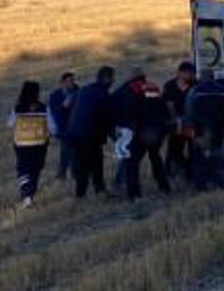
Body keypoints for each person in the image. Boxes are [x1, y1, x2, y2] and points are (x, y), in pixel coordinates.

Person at [113, 67, 172, 199]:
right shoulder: (151, 88)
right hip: (155, 131)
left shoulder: (125, 91)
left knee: (132, 163)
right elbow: (160, 107)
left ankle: (134, 194)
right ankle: (164, 187)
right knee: (156, 159)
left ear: (130, 78)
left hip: (137, 133)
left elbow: (118, 109)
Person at [66, 66, 116, 198]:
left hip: (73, 133)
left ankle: (84, 193)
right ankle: (95, 191)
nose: (113, 80)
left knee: (83, 164)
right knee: (94, 163)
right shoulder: (103, 95)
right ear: (107, 78)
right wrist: (116, 137)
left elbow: (69, 106)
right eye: (112, 77)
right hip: (88, 135)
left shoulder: (84, 89)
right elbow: (108, 120)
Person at [183, 67, 224, 190]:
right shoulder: (223, 90)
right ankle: (221, 183)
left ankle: (201, 185)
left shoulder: (195, 90)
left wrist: (189, 126)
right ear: (213, 77)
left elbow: (189, 111)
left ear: (201, 78)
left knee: (199, 157)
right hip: (219, 127)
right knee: (217, 155)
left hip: (201, 129)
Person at [7, 81, 49, 209]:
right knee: (35, 170)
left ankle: (26, 195)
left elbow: (10, 123)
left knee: (23, 169)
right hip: (39, 145)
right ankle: (30, 193)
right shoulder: (43, 107)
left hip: (21, 144)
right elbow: (52, 125)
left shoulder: (18, 108)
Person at [162, 61, 196, 181]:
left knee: (193, 149)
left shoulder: (195, 85)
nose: (192, 76)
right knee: (175, 149)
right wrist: (176, 121)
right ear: (180, 73)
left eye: (192, 73)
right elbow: (168, 104)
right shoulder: (169, 86)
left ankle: (192, 173)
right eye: (189, 73)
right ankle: (171, 171)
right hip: (176, 123)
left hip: (191, 123)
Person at [47, 72, 78, 181]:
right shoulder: (54, 96)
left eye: (73, 81)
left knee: (66, 150)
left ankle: (62, 173)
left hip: (75, 127)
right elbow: (53, 113)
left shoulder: (77, 92)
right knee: (70, 151)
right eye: (70, 81)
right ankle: (73, 174)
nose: (72, 83)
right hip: (62, 128)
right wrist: (63, 106)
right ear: (62, 82)